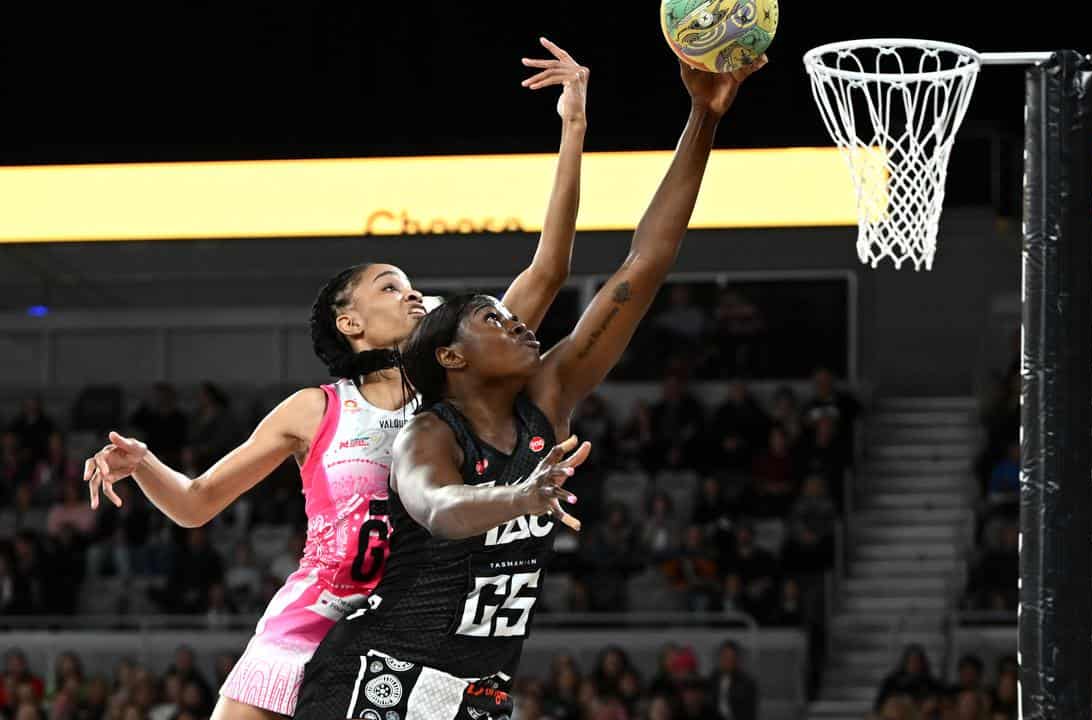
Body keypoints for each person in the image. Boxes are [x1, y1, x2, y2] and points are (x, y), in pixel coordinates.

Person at [80, 37, 590, 720]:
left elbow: (548, 270)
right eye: (391, 286)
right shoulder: (312, 410)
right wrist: (142, 463)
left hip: (404, 633)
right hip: (305, 628)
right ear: (350, 323)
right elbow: (198, 503)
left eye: (415, 289)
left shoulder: (451, 384)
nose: (413, 297)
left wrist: (574, 123)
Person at [292, 53, 766, 720]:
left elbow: (646, 262)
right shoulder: (428, 433)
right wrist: (517, 494)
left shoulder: (549, 396)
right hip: (375, 679)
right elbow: (437, 506)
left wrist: (704, 117)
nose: (518, 323)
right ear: (453, 357)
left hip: (480, 698)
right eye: (496, 317)